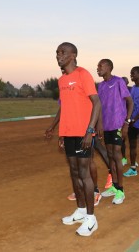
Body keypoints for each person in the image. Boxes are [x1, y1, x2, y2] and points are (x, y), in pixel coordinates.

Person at [45, 42, 101, 237]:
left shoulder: (83, 74)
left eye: (63, 52)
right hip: (69, 133)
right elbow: (65, 107)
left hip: (83, 133)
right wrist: (60, 131)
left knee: (84, 174)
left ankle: (91, 219)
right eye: (57, 53)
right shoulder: (62, 80)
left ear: (73, 55)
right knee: (74, 172)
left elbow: (97, 103)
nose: (59, 55)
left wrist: (90, 131)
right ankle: (80, 210)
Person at [97, 59, 133, 205]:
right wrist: (99, 124)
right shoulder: (101, 86)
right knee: (110, 155)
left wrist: (126, 122)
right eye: (98, 66)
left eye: (100, 66)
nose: (98, 68)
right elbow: (99, 106)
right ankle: (114, 185)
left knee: (117, 155)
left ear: (109, 68)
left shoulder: (118, 82)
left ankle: (121, 191)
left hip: (118, 124)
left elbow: (130, 102)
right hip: (107, 126)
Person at [120, 76, 132, 167]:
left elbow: (131, 105)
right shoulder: (117, 92)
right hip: (120, 120)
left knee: (132, 140)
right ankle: (123, 158)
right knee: (122, 141)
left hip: (129, 119)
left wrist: (128, 119)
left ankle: (133, 161)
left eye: (125, 82)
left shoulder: (130, 91)